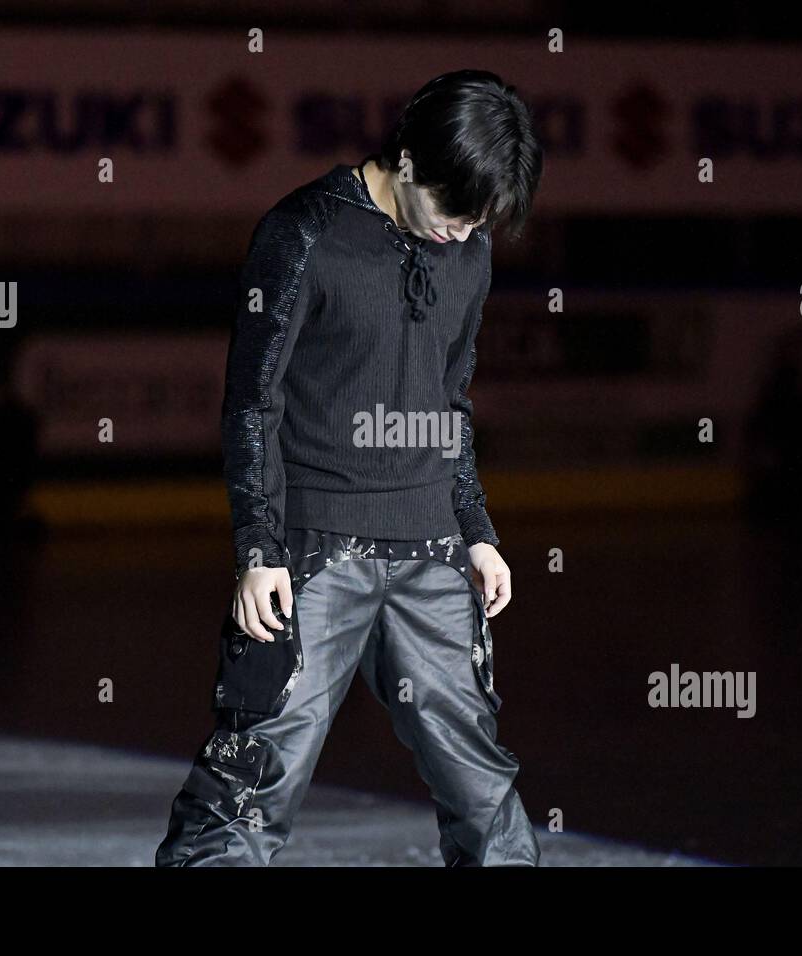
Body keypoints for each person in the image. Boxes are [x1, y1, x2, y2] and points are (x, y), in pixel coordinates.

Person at [155, 70, 544, 866]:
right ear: (406, 161)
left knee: (481, 786)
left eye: (481, 221)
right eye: (454, 211)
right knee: (252, 779)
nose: (465, 235)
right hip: (314, 550)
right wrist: (258, 548)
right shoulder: (303, 233)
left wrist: (475, 529)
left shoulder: (467, 249)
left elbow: (449, 398)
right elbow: (251, 402)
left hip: (432, 545)